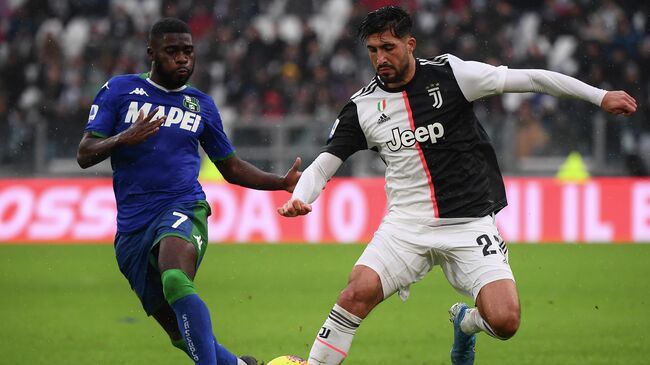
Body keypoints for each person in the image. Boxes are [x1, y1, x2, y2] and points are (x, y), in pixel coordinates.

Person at [277, 6, 637, 365]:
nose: (380, 58)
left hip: (469, 223)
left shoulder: (453, 75)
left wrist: (598, 96)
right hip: (406, 225)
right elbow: (324, 164)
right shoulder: (362, 108)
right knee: (356, 293)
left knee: (505, 320)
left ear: (410, 44)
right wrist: (300, 197)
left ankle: (466, 322)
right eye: (373, 50)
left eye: (388, 47)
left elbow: (532, 79)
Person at [77, 18, 301, 365]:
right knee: (180, 334)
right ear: (152, 53)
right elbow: (84, 153)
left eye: (188, 52)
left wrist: (281, 183)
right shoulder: (120, 91)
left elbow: (231, 166)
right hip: (133, 227)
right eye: (172, 52)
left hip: (183, 205)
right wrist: (124, 137)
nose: (182, 59)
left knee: (176, 280)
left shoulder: (201, 106)